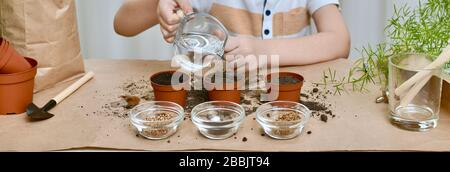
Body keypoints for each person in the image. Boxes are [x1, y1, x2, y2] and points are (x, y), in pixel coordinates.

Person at [114, 0, 350, 66]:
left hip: (286, 103)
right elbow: (123, 23)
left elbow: (339, 41)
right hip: (222, 99)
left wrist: (262, 50)